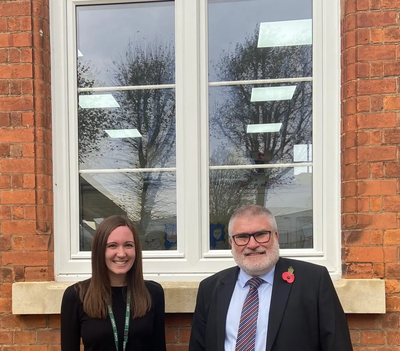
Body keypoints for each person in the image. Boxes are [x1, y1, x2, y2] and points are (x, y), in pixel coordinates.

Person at [189, 204, 353, 351]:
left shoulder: (314, 281)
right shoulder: (210, 289)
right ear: (231, 243)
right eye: (242, 237)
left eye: (261, 234)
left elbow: (337, 345)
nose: (252, 244)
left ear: (275, 236)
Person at [61, 215, 166, 351]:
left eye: (128, 245)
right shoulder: (76, 295)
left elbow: (159, 347)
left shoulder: (153, 293)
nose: (121, 254)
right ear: (100, 250)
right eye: (112, 246)